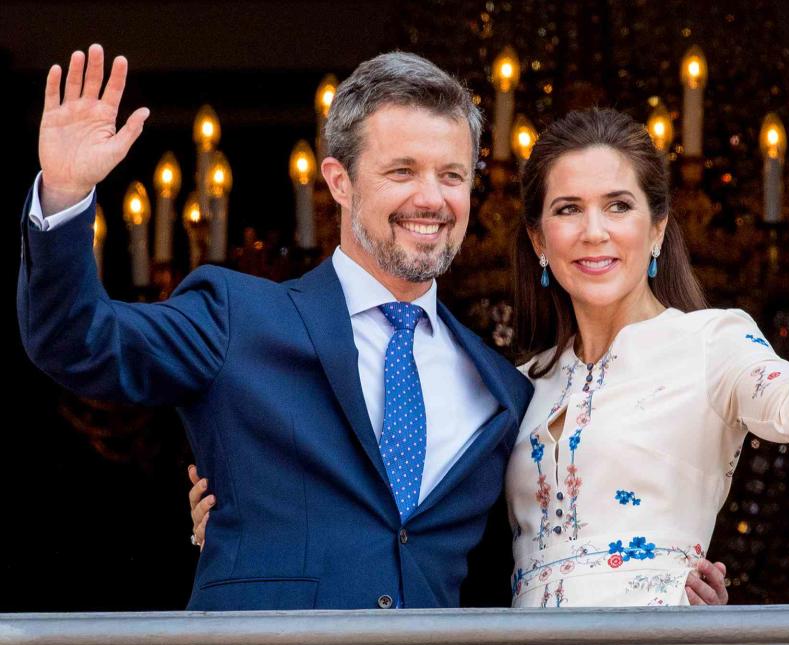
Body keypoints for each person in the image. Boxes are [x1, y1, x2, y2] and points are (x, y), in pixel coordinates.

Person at [16, 44, 734, 609]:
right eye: (402, 171)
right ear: (338, 181)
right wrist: (67, 195)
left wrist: (672, 596)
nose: (432, 198)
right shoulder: (237, 316)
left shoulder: (502, 390)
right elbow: (78, 341)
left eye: (452, 175)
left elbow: (518, 573)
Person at [502, 102, 789, 606]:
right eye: (567, 208)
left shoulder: (711, 342)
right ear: (539, 239)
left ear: (658, 229)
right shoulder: (521, 382)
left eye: (619, 205)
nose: (594, 231)